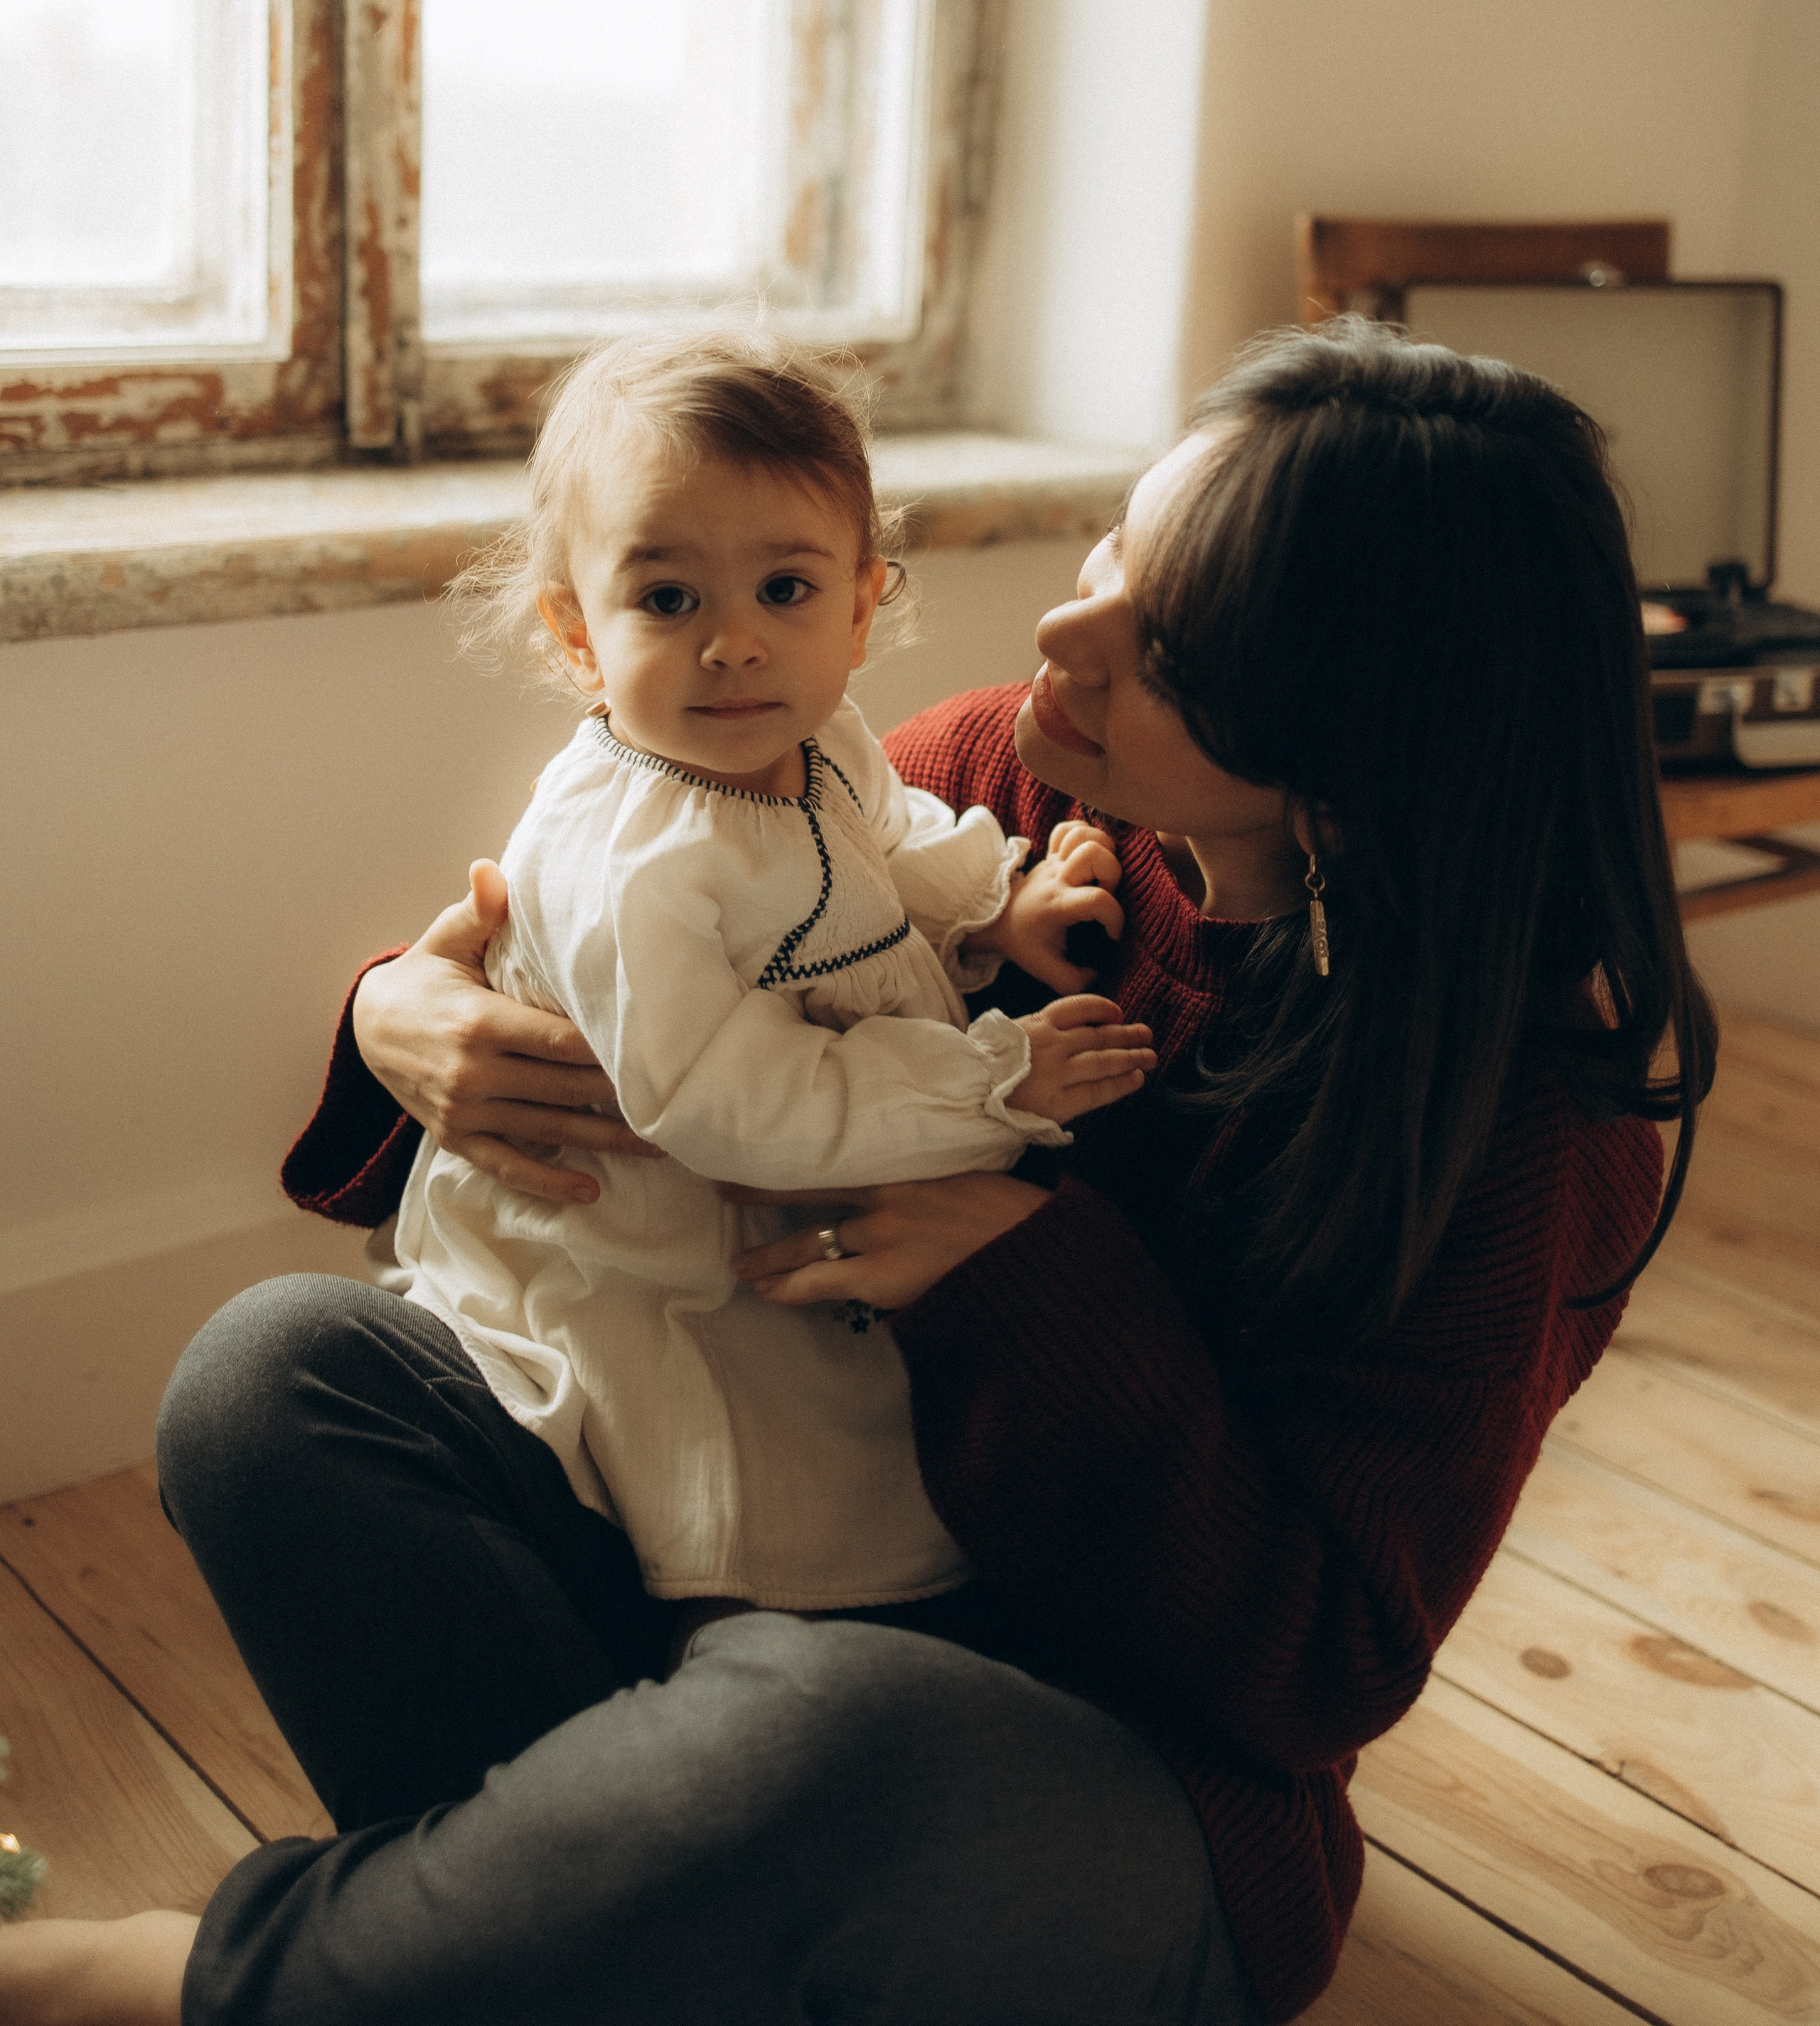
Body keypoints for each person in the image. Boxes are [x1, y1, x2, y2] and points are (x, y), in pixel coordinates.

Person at [1, 320, 1711, 2026]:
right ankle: (567, 1958)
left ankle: (183, 1990)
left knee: (817, 1736)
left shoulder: (1513, 1137)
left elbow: (1315, 1669)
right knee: (269, 1381)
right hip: (735, 1556)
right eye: (1120, 541)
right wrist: (404, 1011)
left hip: (1079, 1769)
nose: (1065, 625)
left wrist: (1016, 1274)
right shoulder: (989, 771)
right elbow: (668, 961)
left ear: (1357, 741)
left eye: (1167, 636)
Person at [389, 328, 1155, 1611]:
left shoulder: (814, 738)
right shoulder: (636, 862)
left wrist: (990, 917)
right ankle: (698, 1627)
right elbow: (728, 1106)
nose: (734, 645)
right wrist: (991, 1083)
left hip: (802, 1186)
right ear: (578, 636)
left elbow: (877, 852)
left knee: (879, 1445)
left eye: (785, 592)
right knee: (750, 1493)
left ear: (862, 607)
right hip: (661, 1234)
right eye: (669, 600)